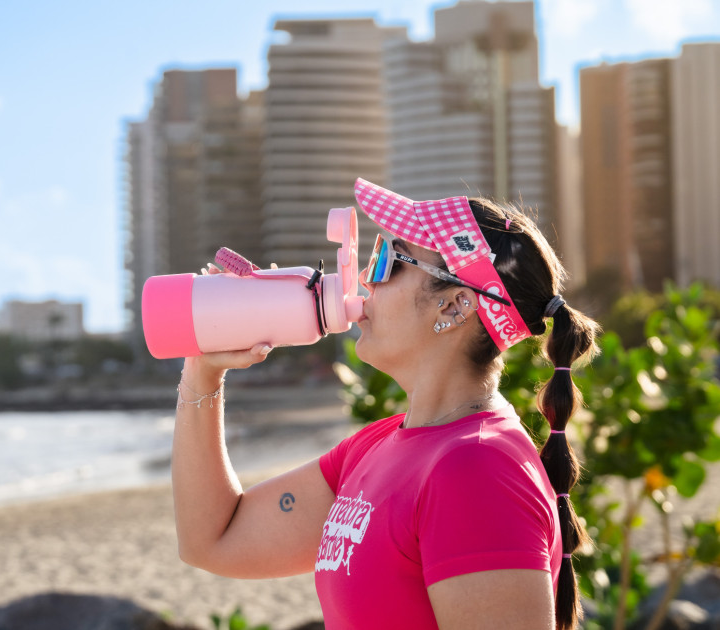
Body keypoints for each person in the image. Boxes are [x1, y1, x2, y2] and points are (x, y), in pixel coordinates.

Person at [171, 178, 599, 630]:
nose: (362, 279)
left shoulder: (477, 468)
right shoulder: (378, 447)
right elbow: (213, 540)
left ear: (455, 306)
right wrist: (202, 369)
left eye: (387, 262)